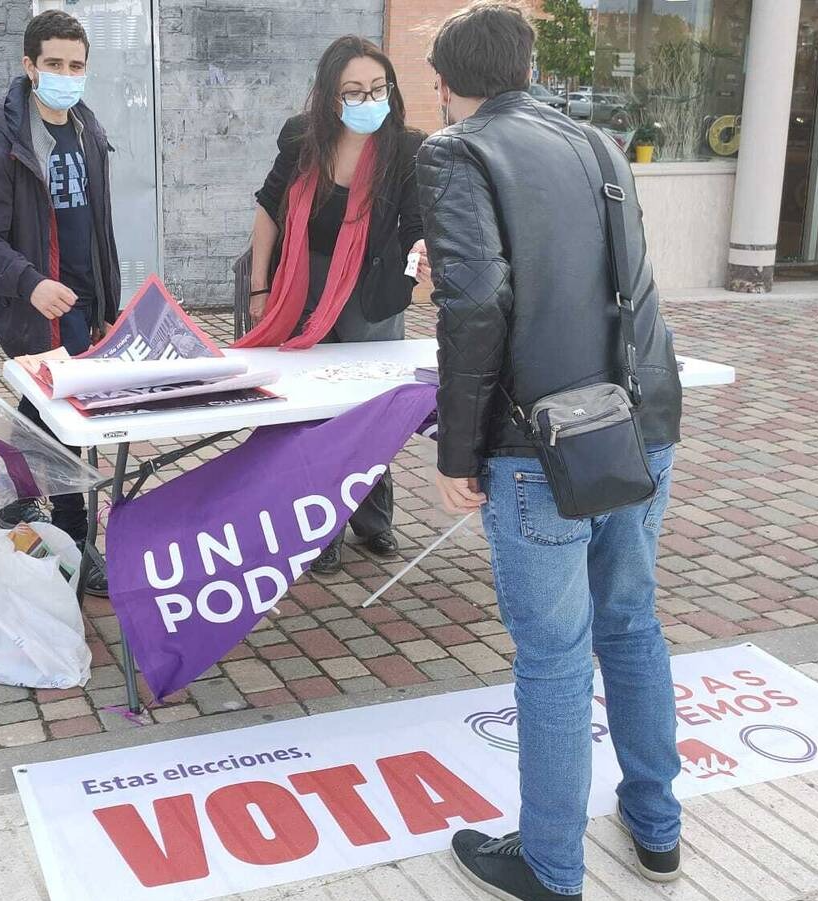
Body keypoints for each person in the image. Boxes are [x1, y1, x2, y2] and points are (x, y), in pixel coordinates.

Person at [418, 5, 685, 900]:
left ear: (445, 84)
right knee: (632, 624)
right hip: (636, 420)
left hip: (541, 436)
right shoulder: (602, 146)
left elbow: (475, 304)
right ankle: (656, 828)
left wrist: (457, 448)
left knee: (555, 655)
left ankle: (549, 863)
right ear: (526, 67)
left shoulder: (456, 151)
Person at [242, 35, 428, 575]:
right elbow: (267, 210)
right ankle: (322, 528)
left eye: (378, 88)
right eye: (354, 91)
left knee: (371, 410)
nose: (369, 101)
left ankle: (374, 520)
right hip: (306, 282)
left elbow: (416, 228)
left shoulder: (407, 147)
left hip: (372, 292)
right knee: (317, 412)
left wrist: (423, 261)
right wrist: (260, 289)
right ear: (329, 96)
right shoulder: (303, 138)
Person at [0, 9, 120, 595]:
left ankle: (18, 498)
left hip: (84, 297)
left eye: (76, 65)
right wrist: (31, 285)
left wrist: (106, 298)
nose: (66, 74)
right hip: (35, 305)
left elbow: (96, 225)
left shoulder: (87, 130)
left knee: (43, 409)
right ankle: (77, 540)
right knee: (72, 418)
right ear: (29, 66)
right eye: (54, 64)